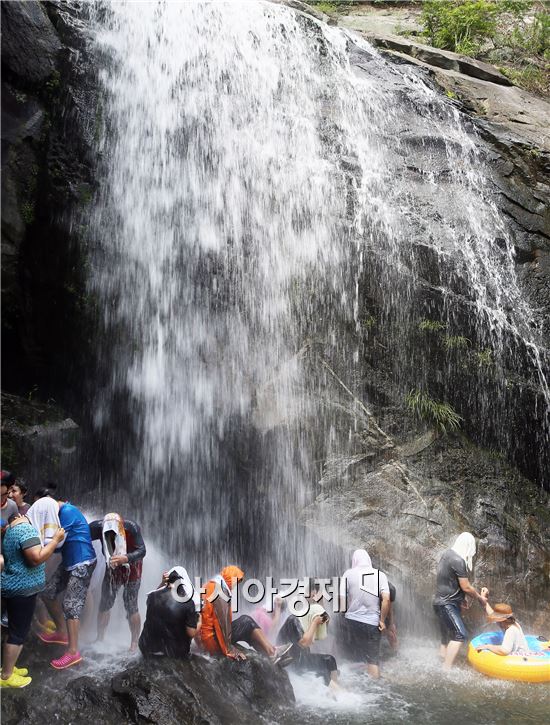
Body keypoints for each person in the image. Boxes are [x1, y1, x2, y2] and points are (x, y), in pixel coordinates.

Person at [1, 512, 65, 688]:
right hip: (22, 590)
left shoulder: (11, 530)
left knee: (12, 629)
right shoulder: (26, 531)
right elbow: (36, 558)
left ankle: (8, 667)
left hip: (13, 586)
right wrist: (55, 540)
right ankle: (6, 677)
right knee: (18, 633)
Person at [34, 497, 97, 669]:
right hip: (69, 561)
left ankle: (73, 652)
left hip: (83, 561)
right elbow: (58, 544)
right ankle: (62, 632)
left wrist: (35, 546)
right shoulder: (60, 513)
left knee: (71, 606)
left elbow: (56, 541)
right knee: (47, 593)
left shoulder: (67, 512)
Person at [199, 565, 290, 663]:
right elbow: (220, 626)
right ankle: (272, 652)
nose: (235, 586)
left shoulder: (211, 585)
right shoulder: (219, 592)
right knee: (246, 621)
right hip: (212, 641)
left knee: (248, 629)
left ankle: (271, 654)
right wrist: (229, 650)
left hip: (208, 638)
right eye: (236, 582)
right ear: (230, 578)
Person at [89, 513, 146, 651]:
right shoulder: (97, 527)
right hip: (112, 568)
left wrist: (126, 558)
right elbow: (81, 537)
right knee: (105, 602)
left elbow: (142, 550)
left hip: (132, 568)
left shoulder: (131, 528)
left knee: (131, 605)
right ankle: (100, 638)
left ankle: (134, 643)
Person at [433, 532, 487, 671]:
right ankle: (446, 670)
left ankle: (441, 662)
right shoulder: (458, 560)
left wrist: (461, 599)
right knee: (460, 634)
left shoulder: (447, 555)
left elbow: (447, 581)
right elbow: (466, 586)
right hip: (447, 604)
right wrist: (480, 598)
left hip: (440, 602)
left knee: (446, 636)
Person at [339, 549, 390, 679]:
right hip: (372, 623)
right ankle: (374, 687)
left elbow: (342, 599)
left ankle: (355, 688)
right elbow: (386, 599)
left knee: (354, 657)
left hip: (352, 623)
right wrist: (382, 621)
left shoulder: (348, 574)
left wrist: (344, 614)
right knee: (372, 659)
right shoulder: (381, 575)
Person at [139, 566, 200, 658]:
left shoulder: (152, 597)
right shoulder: (188, 602)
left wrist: (162, 583)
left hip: (147, 648)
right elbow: (191, 633)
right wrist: (199, 621)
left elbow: (156, 594)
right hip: (174, 652)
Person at [277, 602, 340, 688]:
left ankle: (336, 688)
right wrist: (315, 622)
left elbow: (313, 640)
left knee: (330, 660)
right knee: (323, 674)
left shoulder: (306, 622)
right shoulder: (294, 620)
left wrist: (321, 620)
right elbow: (304, 643)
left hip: (301, 658)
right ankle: (336, 692)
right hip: (289, 663)